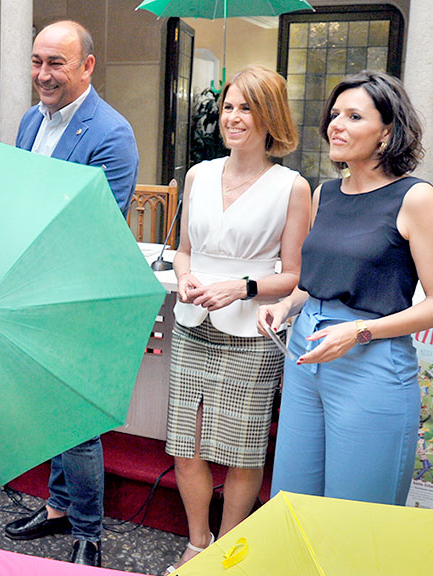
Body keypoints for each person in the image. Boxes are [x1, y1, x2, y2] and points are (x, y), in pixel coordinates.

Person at [259, 71, 433, 506]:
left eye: (353, 116)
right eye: (334, 115)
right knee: (293, 501)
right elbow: (317, 284)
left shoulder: (414, 198)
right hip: (305, 355)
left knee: (357, 512)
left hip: (370, 360)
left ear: (387, 132)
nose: (336, 125)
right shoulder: (325, 194)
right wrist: (285, 305)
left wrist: (359, 332)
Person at [164, 65, 310, 574]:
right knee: (188, 443)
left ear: (270, 117)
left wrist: (242, 286)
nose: (233, 116)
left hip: (252, 330)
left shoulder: (292, 187)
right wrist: (185, 276)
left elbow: (294, 275)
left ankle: (227, 553)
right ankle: (197, 541)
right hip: (192, 322)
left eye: (246, 107)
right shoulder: (199, 174)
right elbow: (183, 251)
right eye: (228, 105)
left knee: (244, 452)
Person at [2, 20, 138, 567]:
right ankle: (58, 508)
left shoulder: (111, 132)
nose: (42, 74)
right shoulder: (30, 122)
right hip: (30, 290)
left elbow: (97, 224)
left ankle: (87, 532)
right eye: (37, 62)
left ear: (87, 66)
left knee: (76, 421)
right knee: (46, 411)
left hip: (78, 295)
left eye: (55, 63)